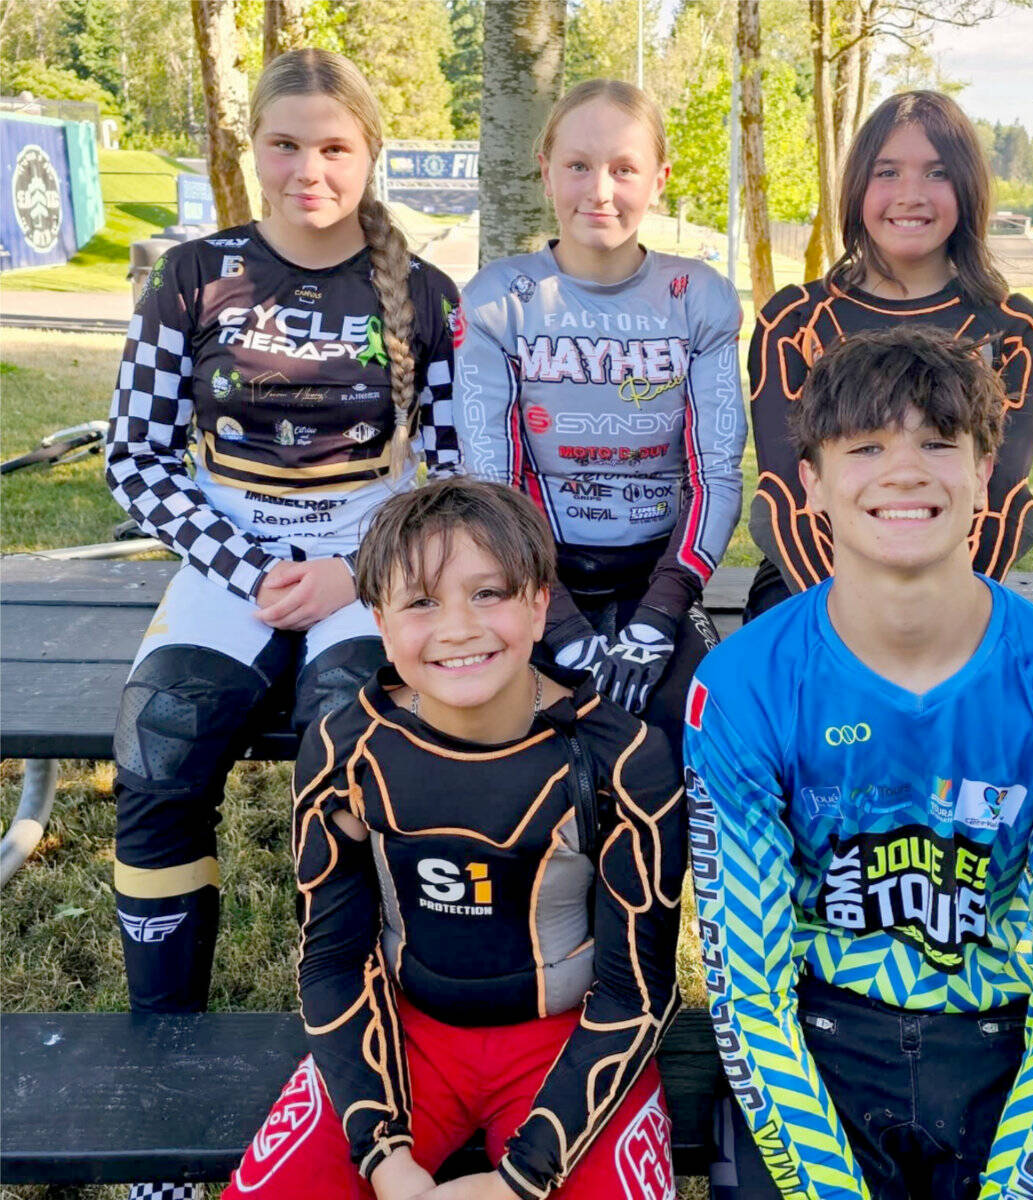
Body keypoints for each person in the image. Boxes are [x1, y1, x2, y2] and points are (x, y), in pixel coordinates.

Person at [686, 326, 1033, 1200]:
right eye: (865, 447)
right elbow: (748, 980)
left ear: (984, 472)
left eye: (938, 443)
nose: (903, 472)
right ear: (811, 481)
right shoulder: (741, 685)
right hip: (819, 1042)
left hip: (1002, 1045)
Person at [105, 48, 460, 1023]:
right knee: (157, 742)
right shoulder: (190, 275)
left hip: (370, 567)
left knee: (351, 744)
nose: (309, 170)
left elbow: (457, 475)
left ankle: (346, 1033)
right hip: (232, 561)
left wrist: (357, 571)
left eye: (334, 147)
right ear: (251, 148)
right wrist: (252, 567)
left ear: (371, 152)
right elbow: (133, 458)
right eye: (284, 145)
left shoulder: (427, 294)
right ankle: (162, 1051)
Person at [224, 478, 686, 1200]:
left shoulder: (622, 758)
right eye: (421, 603)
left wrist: (519, 1180)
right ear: (379, 620)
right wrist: (384, 1156)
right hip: (405, 1037)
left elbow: (638, 993)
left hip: (571, 1043)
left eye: (488, 593)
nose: (459, 628)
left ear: (540, 604)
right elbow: (333, 960)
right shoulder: (347, 748)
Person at [454, 78, 746, 755]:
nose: (600, 190)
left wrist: (660, 616)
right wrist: (558, 624)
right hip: (530, 575)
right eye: (579, 166)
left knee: (697, 734)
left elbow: (716, 477)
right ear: (546, 172)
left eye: (624, 169)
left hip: (657, 574)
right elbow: (492, 486)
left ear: (659, 180)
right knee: (519, 745)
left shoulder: (698, 295)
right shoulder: (500, 298)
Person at [746, 90, 1033, 619]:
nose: (910, 195)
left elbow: (999, 497)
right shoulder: (795, 321)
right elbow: (787, 494)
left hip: (953, 587)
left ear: (968, 188)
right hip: (809, 585)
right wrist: (854, 618)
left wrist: (932, 617)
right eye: (887, 172)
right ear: (857, 188)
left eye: (937, 173)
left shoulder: (1015, 329)